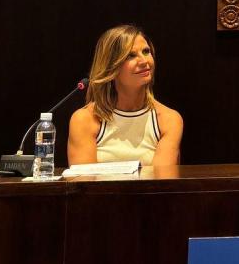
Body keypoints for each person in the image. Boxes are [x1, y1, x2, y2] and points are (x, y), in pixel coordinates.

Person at [68, 25, 183, 167]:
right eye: (131, 55)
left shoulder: (169, 120)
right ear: (110, 66)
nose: (144, 61)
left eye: (146, 51)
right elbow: (84, 179)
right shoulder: (84, 119)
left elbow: (162, 179)